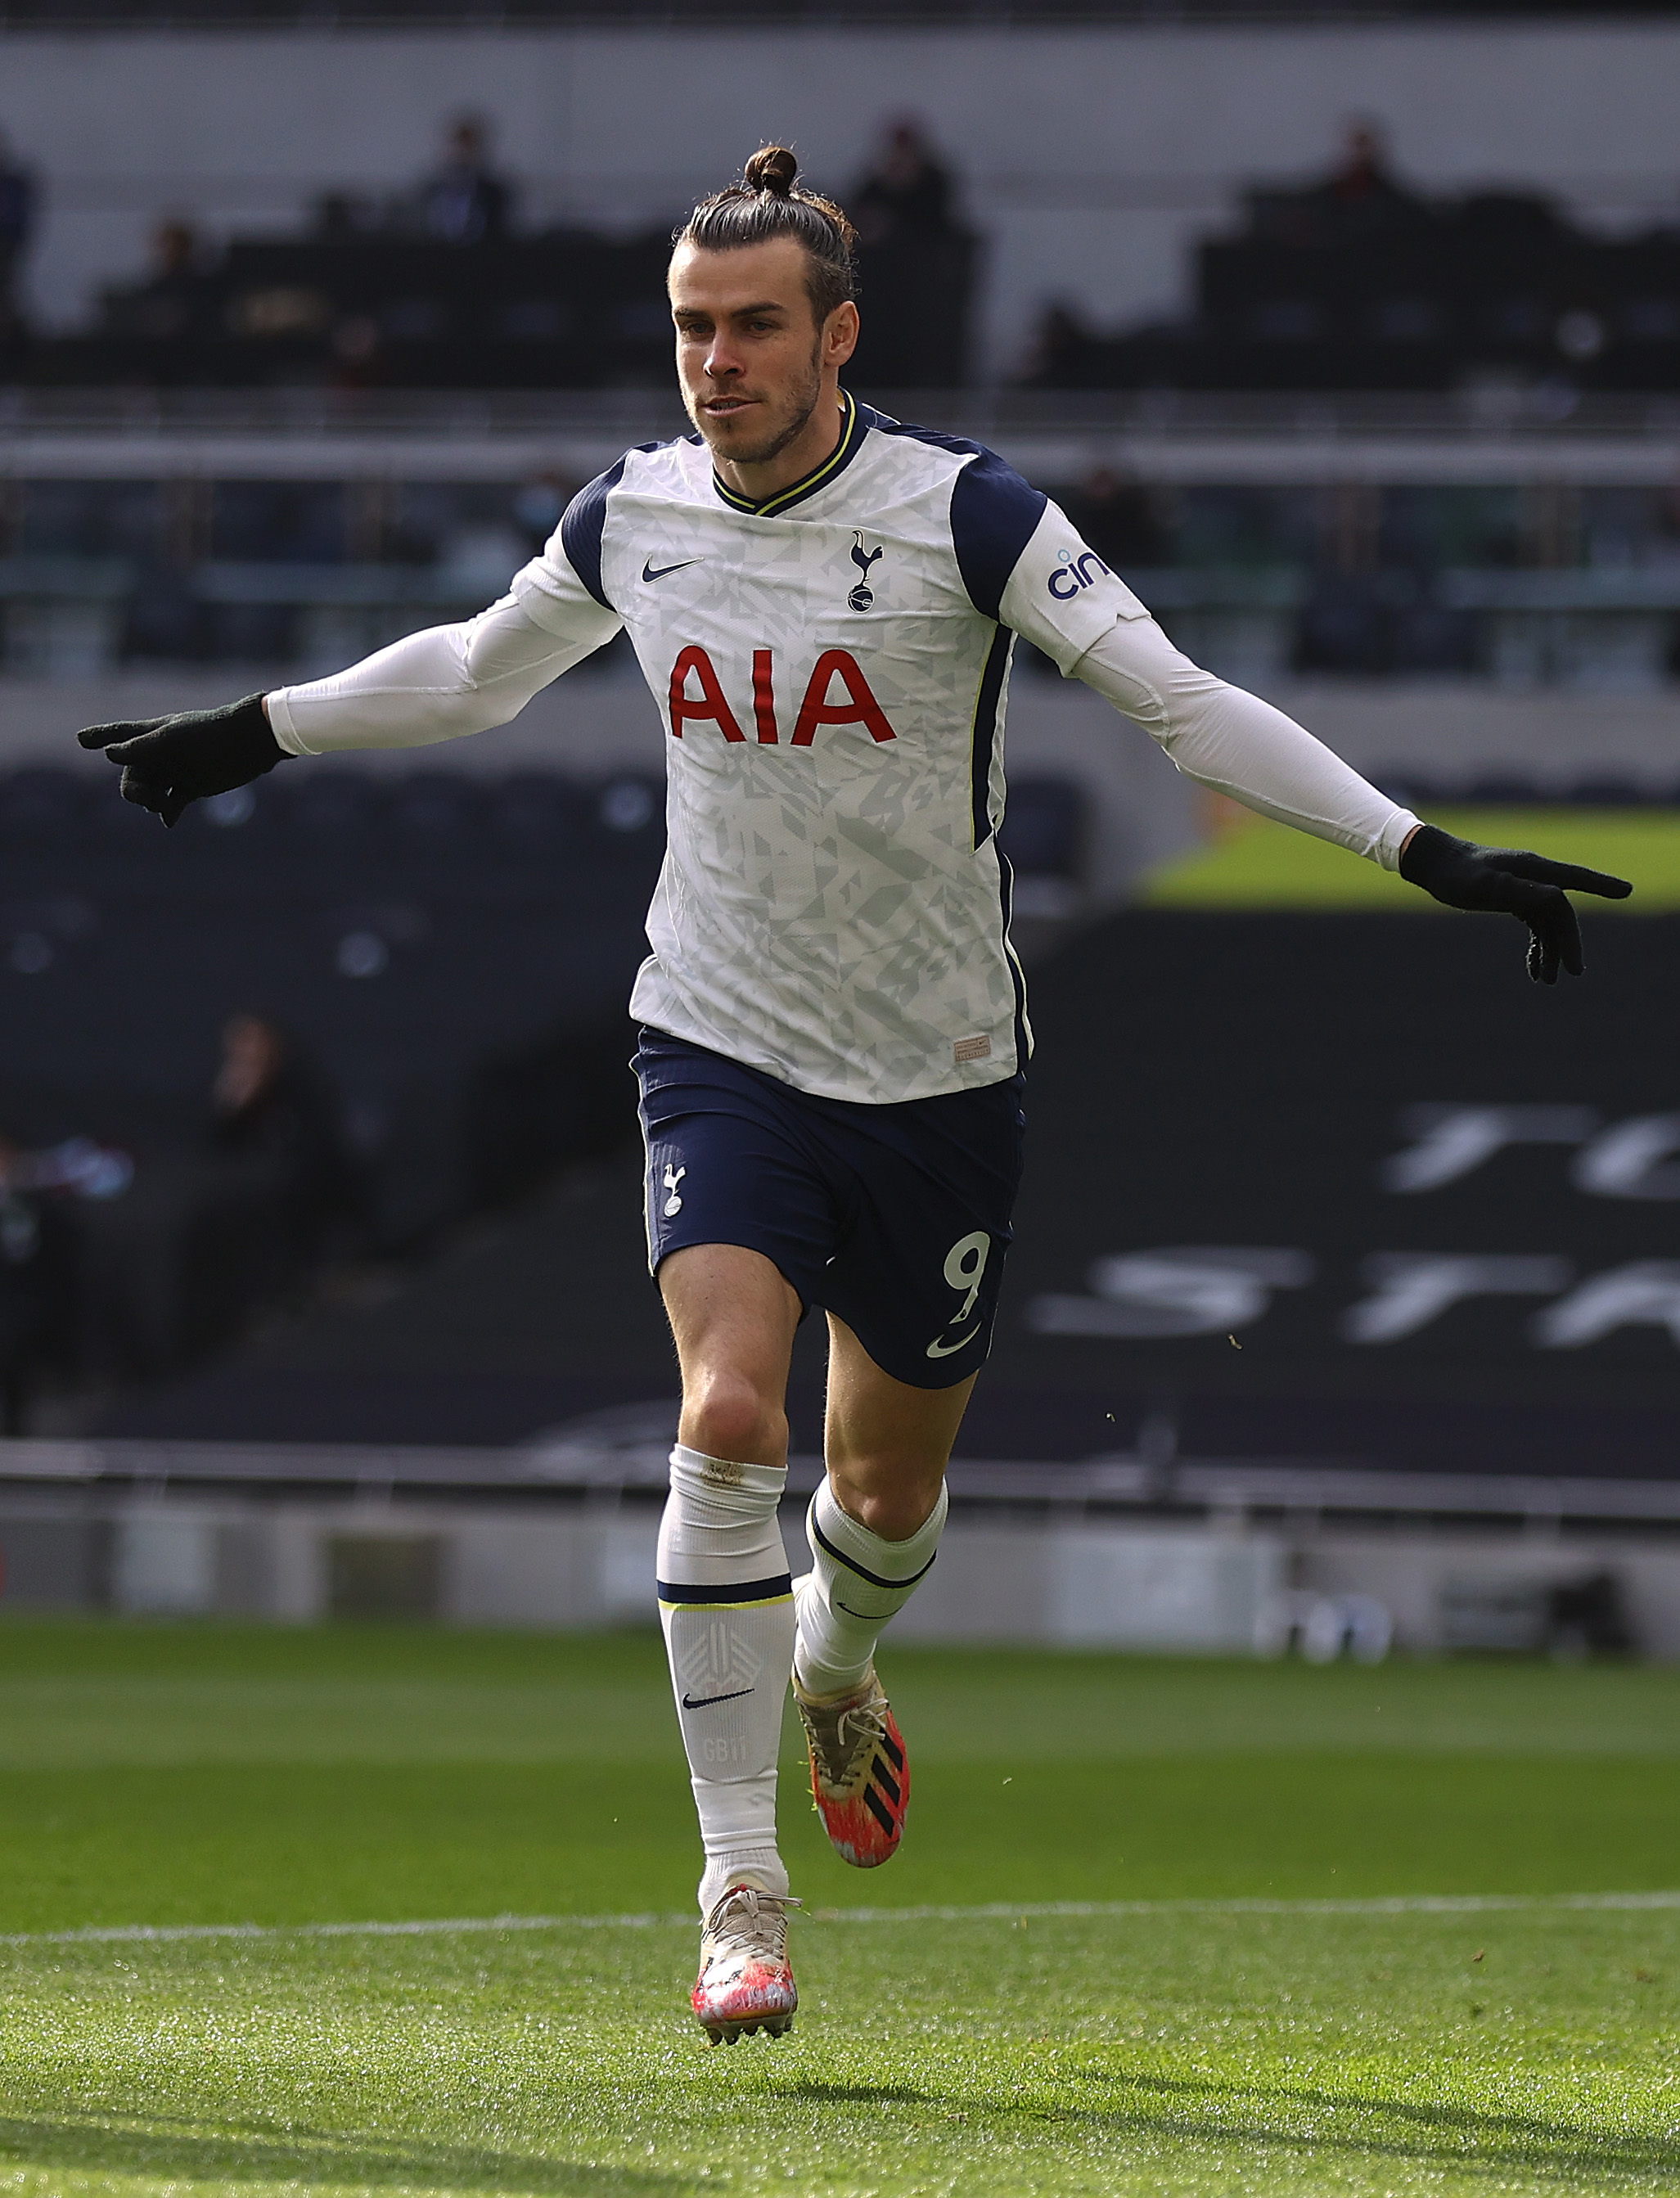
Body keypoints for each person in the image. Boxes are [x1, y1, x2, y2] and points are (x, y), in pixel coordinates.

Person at [74, 144, 1632, 2045]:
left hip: (939, 1072)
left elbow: (1172, 694)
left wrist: (1423, 848)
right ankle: (739, 1885)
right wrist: (257, 731)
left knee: (883, 1494)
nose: (711, 364)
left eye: (748, 328)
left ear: (838, 335)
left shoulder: (967, 517)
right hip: (719, 1038)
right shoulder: (632, 516)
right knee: (729, 1409)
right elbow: (478, 674)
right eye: (687, 329)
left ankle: (834, 1667)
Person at [417, 116, 512, 246]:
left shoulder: (494, 193)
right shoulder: (432, 192)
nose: (462, 151)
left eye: (468, 146)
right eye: (458, 145)